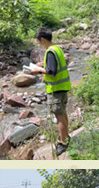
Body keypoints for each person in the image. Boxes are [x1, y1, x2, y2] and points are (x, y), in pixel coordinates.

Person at [30, 28, 72, 156]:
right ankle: (66, 135)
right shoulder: (56, 48)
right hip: (63, 86)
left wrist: (38, 70)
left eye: (38, 41)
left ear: (42, 39)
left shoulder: (50, 52)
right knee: (63, 112)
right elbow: (56, 64)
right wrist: (43, 63)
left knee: (59, 116)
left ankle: (63, 142)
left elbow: (52, 72)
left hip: (56, 89)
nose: (38, 43)